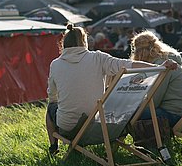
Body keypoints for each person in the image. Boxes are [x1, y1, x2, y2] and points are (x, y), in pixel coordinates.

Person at [45, 24, 162, 156]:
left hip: (68, 129)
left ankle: (53, 147)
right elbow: (129, 65)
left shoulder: (55, 64)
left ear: (64, 43)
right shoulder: (98, 58)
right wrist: (157, 67)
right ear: (84, 42)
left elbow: (52, 96)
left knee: (51, 107)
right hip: (100, 128)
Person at [129, 30, 182, 138]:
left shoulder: (163, 67)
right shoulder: (165, 61)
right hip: (181, 112)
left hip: (173, 115)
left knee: (127, 114)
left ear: (140, 53)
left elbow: (153, 101)